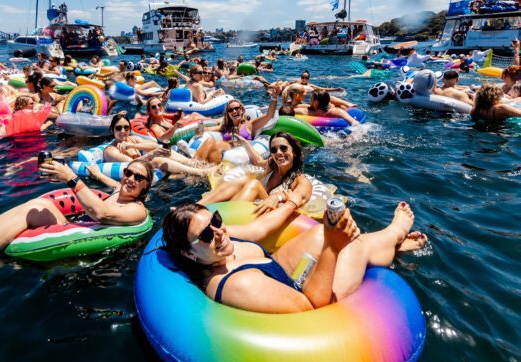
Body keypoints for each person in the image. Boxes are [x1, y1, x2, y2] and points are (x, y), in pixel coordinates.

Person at [161, 199, 425, 312]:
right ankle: (395, 234)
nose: (219, 232)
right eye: (206, 235)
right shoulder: (237, 284)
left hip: (286, 276)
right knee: (356, 246)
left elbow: (262, 227)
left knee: (326, 234)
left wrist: (292, 199)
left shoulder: (221, 243)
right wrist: (333, 247)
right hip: (311, 299)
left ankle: (395, 246)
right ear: (189, 254)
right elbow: (311, 309)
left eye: (216, 220)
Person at [0, 159, 154, 272]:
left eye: (138, 177)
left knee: (31, 210)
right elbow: (107, 189)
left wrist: (71, 177)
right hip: (80, 223)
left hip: (85, 231)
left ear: (146, 187)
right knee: (36, 203)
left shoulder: (136, 209)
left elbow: (100, 211)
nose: (130, 179)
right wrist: (94, 174)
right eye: (128, 172)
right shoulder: (118, 190)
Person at [202, 132, 312, 215]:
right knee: (245, 179)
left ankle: (221, 218)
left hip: (268, 213)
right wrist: (245, 143)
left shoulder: (300, 180)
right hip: (246, 203)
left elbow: (299, 197)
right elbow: (258, 161)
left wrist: (277, 198)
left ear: (294, 151)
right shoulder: (272, 166)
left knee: (254, 184)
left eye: (283, 148)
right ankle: (196, 208)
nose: (278, 153)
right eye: (274, 150)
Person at [101, 113, 217, 177]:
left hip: (143, 164)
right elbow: (131, 164)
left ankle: (195, 164)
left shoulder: (132, 140)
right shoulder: (110, 150)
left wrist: (131, 146)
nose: (123, 131)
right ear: (112, 130)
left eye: (126, 127)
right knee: (157, 159)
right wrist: (152, 154)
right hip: (132, 172)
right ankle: (201, 172)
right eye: (118, 128)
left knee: (162, 150)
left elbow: (154, 145)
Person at [190, 88, 280, 164]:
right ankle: (196, 166)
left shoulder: (250, 124)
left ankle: (195, 166)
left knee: (215, 144)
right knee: (209, 141)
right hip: (224, 153)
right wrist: (200, 124)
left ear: (242, 110)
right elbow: (206, 129)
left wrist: (274, 98)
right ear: (228, 114)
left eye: (237, 108)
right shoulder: (225, 127)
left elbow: (269, 116)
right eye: (230, 110)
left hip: (240, 155)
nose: (234, 111)